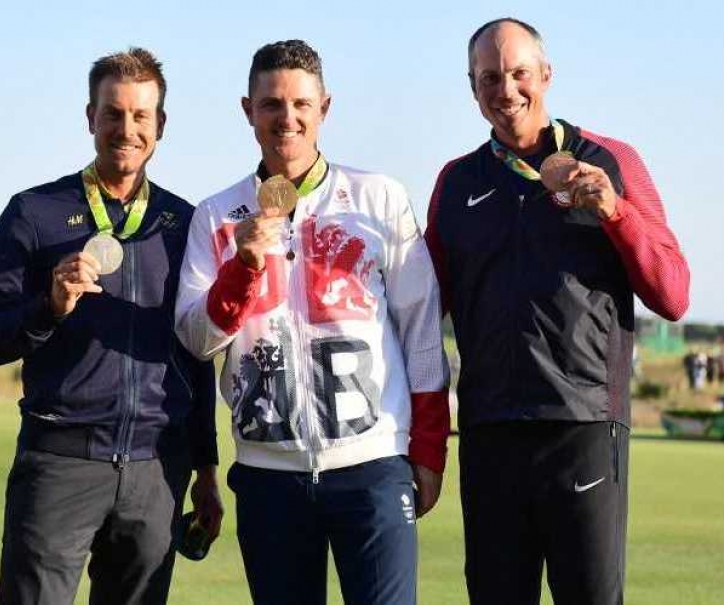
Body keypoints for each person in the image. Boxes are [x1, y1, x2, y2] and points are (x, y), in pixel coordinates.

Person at [174, 39, 449, 605]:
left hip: (372, 465)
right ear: (248, 110)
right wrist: (243, 268)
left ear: (325, 107)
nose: (287, 118)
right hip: (268, 473)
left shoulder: (378, 198)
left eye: (301, 104)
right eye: (271, 104)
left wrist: (427, 449)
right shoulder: (216, 215)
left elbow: (422, 331)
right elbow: (198, 339)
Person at [425, 18, 690, 605]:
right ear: (472, 88)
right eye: (489, 77)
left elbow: (672, 294)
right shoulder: (456, 181)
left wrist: (617, 214)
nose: (506, 89)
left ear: (546, 75)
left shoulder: (610, 161)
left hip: (584, 426)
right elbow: (421, 314)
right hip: (490, 433)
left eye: (520, 73)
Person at [0, 47, 223, 605]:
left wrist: (205, 467)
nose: (125, 129)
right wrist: (49, 307)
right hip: (59, 464)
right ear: (90, 117)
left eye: (140, 116)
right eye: (112, 114)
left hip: (157, 470)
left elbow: (196, 352)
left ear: (161, 125)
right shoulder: (34, 212)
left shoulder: (184, 223)